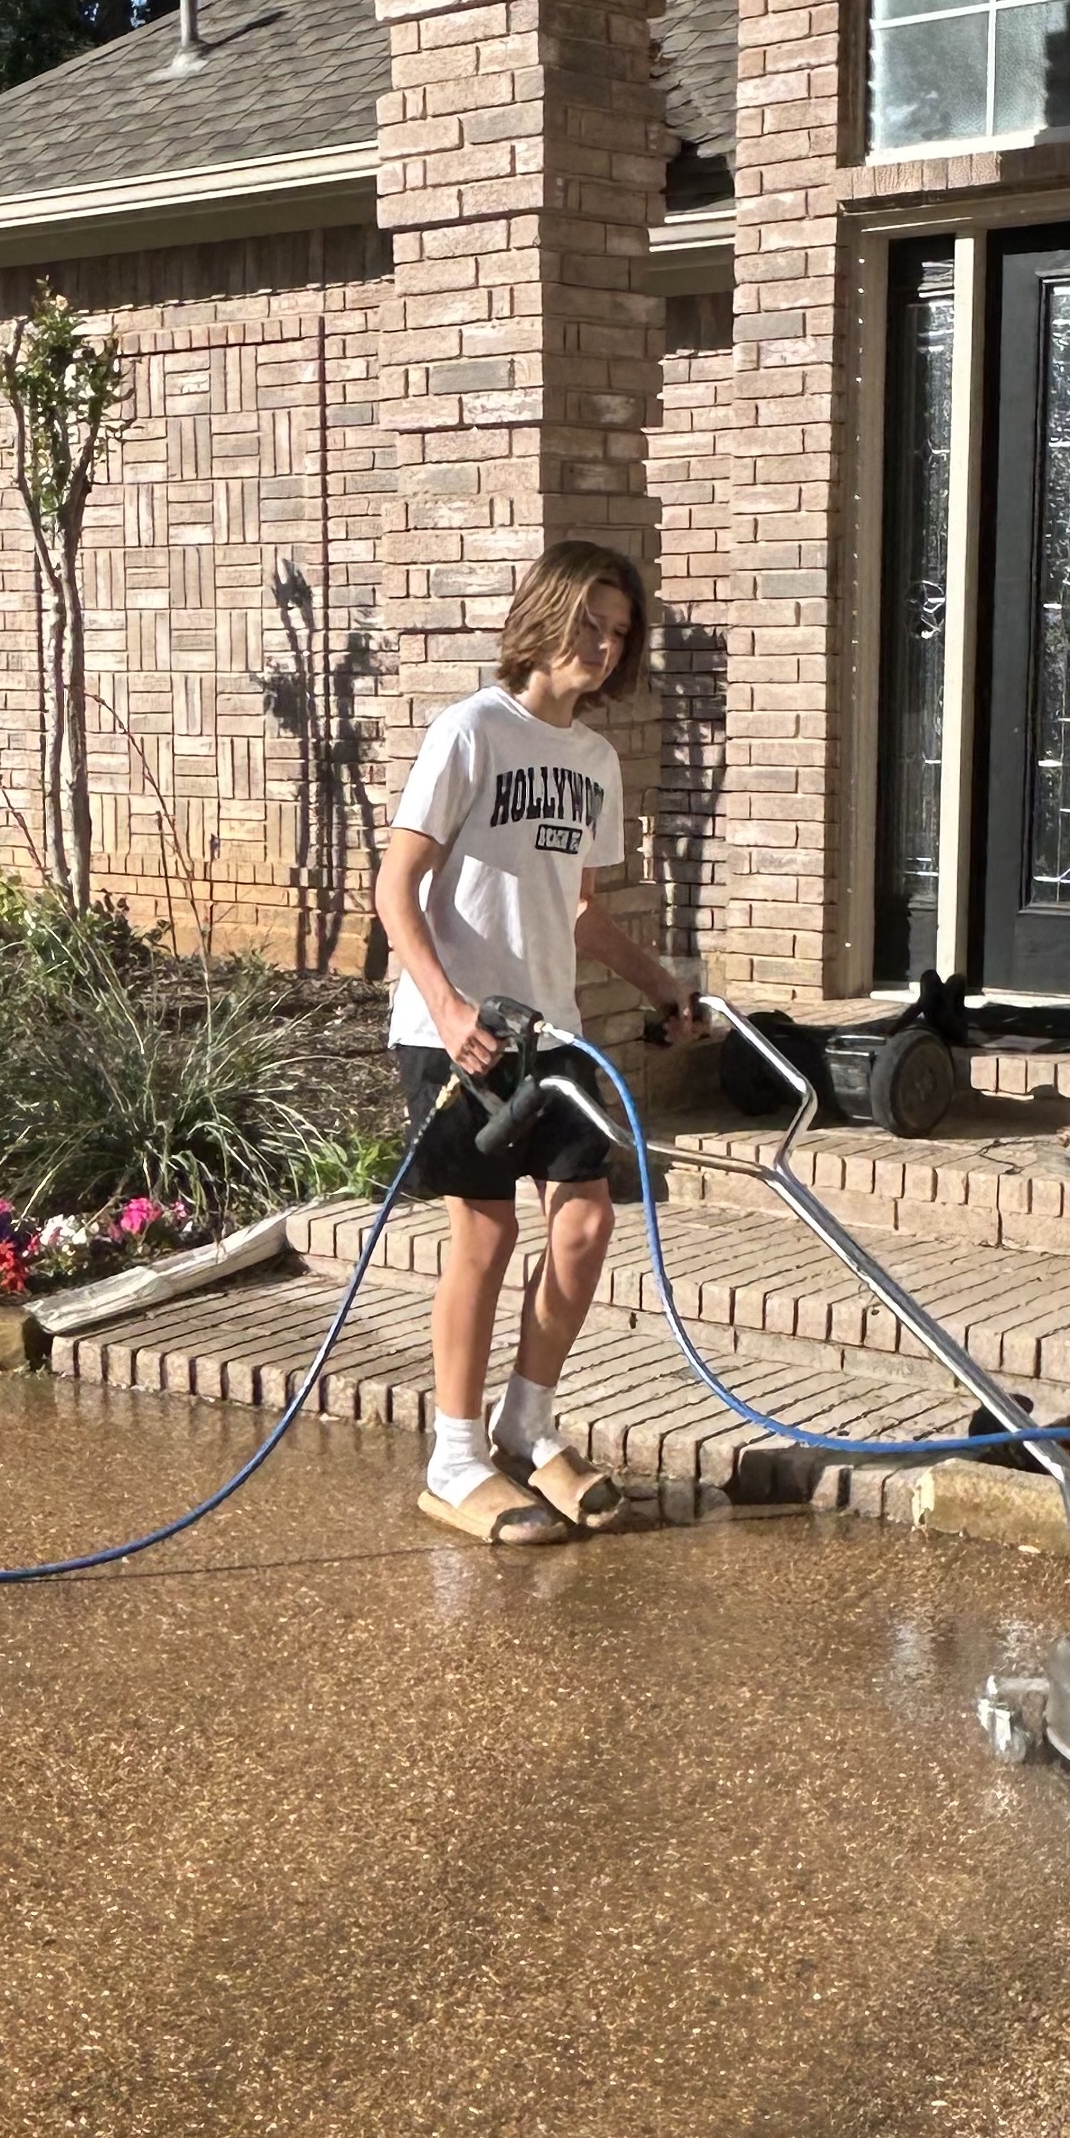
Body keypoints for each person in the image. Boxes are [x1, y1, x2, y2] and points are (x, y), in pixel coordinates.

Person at [373, 540, 700, 1544]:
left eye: (620, 634)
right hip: (457, 1033)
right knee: (487, 1232)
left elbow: (581, 914)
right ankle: (456, 1455)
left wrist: (663, 985)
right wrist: (451, 1005)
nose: (605, 647)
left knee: (585, 1225)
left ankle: (529, 1419)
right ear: (547, 615)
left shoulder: (592, 761)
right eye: (591, 623)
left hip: (550, 1032)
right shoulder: (471, 732)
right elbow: (395, 888)